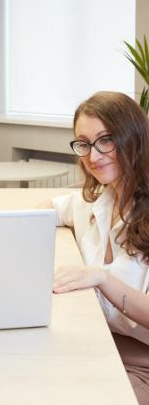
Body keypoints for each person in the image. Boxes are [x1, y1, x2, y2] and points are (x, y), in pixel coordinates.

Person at [43, 91, 149, 404]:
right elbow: (50, 208)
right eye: (84, 143)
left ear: (133, 137)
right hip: (99, 346)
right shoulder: (98, 200)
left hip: (141, 365)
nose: (93, 155)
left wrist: (102, 278)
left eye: (106, 140)